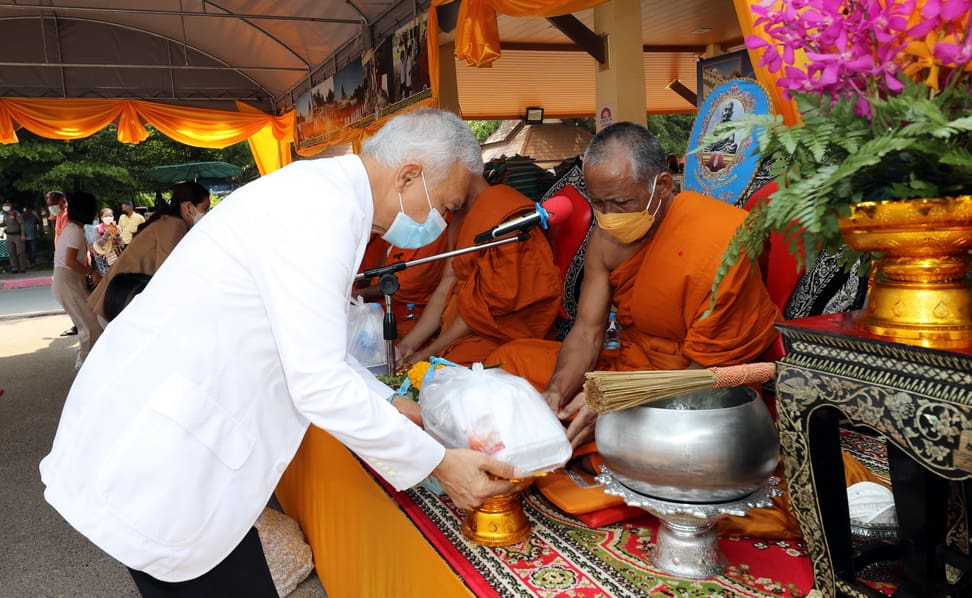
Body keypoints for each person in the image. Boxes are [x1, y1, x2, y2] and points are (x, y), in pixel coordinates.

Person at [40, 108, 517, 595]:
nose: (441, 222)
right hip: (164, 450)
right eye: (447, 206)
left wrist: (393, 403)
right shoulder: (319, 212)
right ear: (409, 176)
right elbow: (318, 382)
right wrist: (438, 462)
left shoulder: (326, 199)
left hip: (174, 433)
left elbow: (315, 348)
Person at [396, 176, 562, 367]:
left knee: (440, 374)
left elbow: (482, 308)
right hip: (455, 331)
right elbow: (447, 284)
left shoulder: (506, 216)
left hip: (498, 334)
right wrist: (408, 346)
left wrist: (428, 354)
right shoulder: (458, 217)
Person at [86, 182, 211, 321]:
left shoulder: (169, 222)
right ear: (188, 207)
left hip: (116, 302)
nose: (207, 214)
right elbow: (167, 274)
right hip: (119, 304)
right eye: (205, 209)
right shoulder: (174, 225)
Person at [50, 192, 103, 368]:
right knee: (91, 326)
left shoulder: (74, 228)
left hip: (68, 281)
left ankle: (88, 363)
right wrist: (91, 272)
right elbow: (70, 261)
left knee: (90, 324)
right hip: (68, 281)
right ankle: (85, 365)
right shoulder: (74, 230)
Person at [46, 191, 77, 336]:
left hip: (68, 261)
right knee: (70, 295)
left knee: (70, 295)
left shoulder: (66, 215)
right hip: (64, 260)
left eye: (53, 204)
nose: (51, 208)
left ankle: (79, 324)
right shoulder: (60, 214)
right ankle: (78, 323)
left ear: (63, 202)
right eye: (49, 205)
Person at [91, 207, 124, 275]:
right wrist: (107, 233)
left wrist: (117, 235)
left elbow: (122, 243)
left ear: (113, 217)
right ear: (101, 218)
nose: (108, 217)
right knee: (107, 276)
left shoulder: (117, 227)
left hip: (116, 254)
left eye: (110, 216)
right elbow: (99, 244)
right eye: (106, 216)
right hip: (102, 257)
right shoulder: (97, 228)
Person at [2, 199, 27, 273]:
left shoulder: (16, 213)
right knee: (11, 252)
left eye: (7, 205)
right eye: (4, 205)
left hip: (17, 235)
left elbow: (21, 224)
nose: (5, 206)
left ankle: (22, 267)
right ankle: (14, 267)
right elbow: (4, 224)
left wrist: (23, 234)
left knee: (20, 252)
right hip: (9, 235)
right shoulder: (3, 214)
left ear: (10, 205)